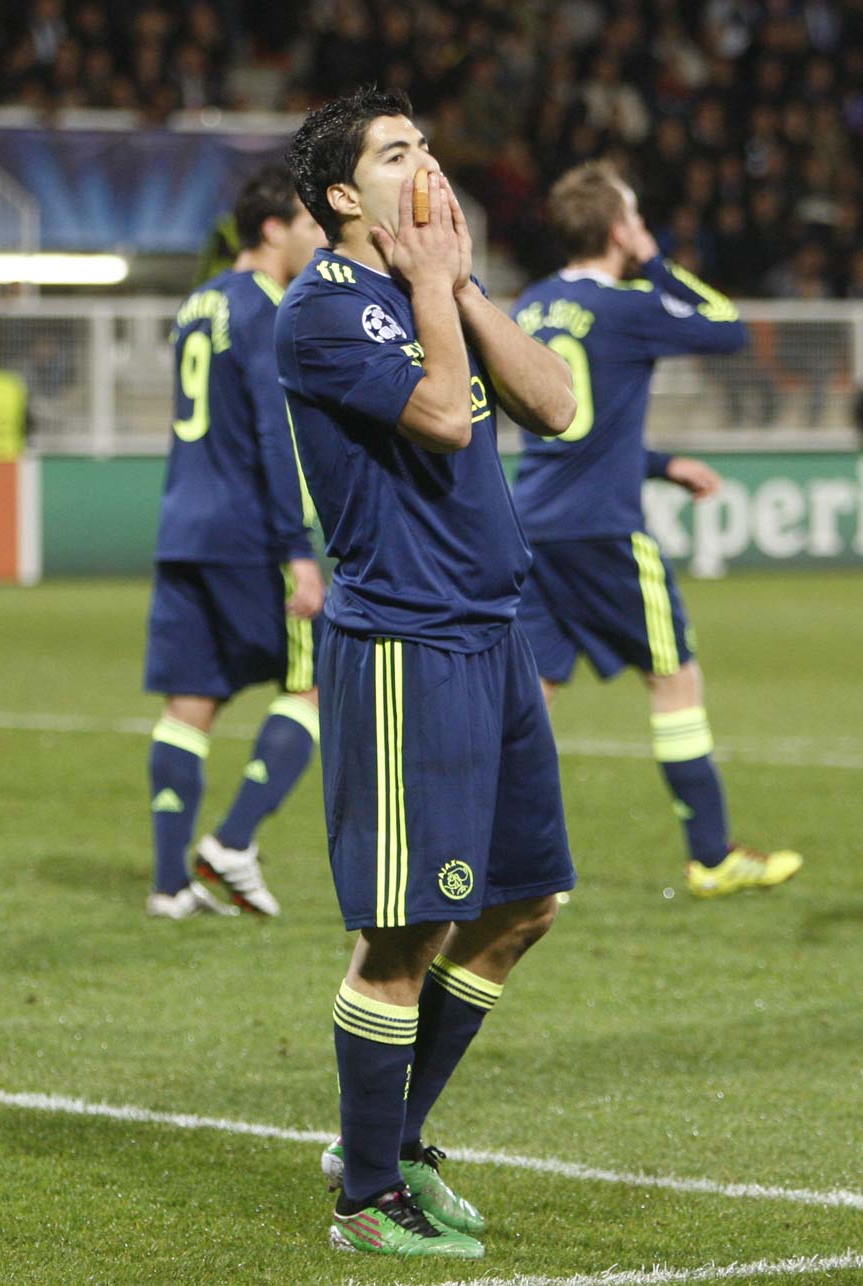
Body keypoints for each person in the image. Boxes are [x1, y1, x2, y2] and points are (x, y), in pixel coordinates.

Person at [276, 87, 577, 1260]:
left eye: (428, 145)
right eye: (397, 152)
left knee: (523, 904)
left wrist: (454, 285)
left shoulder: (437, 287)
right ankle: (363, 1196)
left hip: (494, 634)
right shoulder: (322, 310)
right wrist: (436, 286)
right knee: (407, 929)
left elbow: (555, 402)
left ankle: (392, 1144)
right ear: (344, 195)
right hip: (405, 643)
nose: (428, 164)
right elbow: (448, 414)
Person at [511, 161, 802, 899]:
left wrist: (664, 464)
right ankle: (711, 856)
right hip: (604, 531)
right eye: (635, 219)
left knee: (533, 696)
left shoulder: (532, 305)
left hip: (533, 525)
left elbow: (575, 431)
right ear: (619, 230)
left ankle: (494, 853)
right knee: (674, 678)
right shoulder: (629, 304)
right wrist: (655, 261)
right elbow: (729, 329)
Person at [143, 164, 327, 920]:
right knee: (314, 682)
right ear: (273, 229)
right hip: (246, 531)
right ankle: (233, 843)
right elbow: (275, 436)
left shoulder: (199, 303)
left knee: (190, 703)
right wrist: (298, 548)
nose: (320, 238)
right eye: (309, 224)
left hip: (183, 528)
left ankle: (168, 887)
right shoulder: (265, 309)